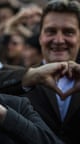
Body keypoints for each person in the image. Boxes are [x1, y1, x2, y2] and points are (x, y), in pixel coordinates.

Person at [13, 0, 80, 143]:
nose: (59, 40)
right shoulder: (19, 80)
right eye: (51, 31)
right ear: (40, 37)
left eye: (68, 32)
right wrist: (30, 77)